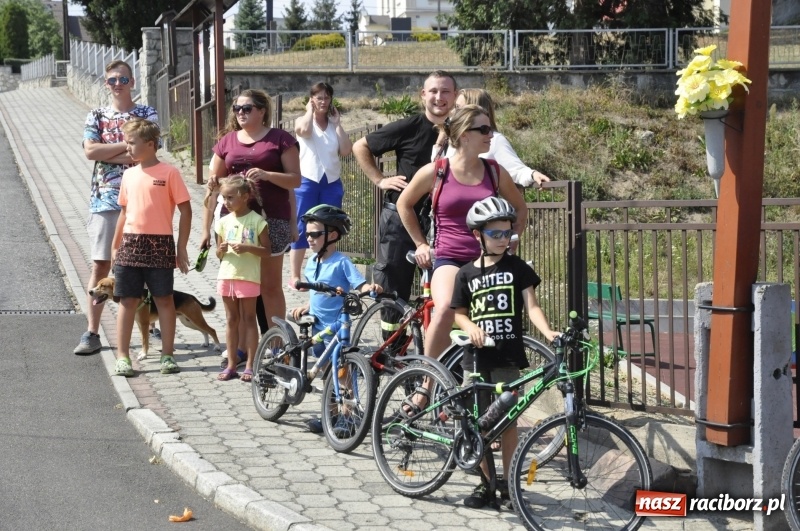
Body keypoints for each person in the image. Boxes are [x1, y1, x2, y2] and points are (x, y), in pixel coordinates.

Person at [397, 104, 528, 369]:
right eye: (484, 129)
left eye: (490, 128)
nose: (490, 134)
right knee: (446, 307)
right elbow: (404, 204)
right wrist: (421, 242)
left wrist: (510, 238)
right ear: (464, 135)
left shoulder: (494, 171)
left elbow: (520, 207)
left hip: (487, 261)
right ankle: (427, 382)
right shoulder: (437, 171)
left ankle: (478, 379)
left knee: (496, 317)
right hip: (450, 258)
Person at [450, 196, 560, 509]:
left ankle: (511, 487)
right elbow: (458, 312)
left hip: (508, 357)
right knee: (477, 423)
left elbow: (532, 305)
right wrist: (469, 325)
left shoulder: (517, 268)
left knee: (509, 424)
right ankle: (486, 484)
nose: (502, 239)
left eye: (507, 233)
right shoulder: (466, 273)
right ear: (478, 236)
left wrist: (548, 331)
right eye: (495, 234)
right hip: (476, 358)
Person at [352, 70, 456, 340]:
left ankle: (438, 362)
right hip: (400, 221)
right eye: (433, 91)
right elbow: (360, 146)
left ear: (455, 96)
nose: (439, 97)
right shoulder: (409, 126)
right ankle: (390, 357)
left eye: (445, 91)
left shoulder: (463, 130)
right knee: (393, 294)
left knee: (443, 295)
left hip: (443, 221)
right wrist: (379, 179)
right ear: (423, 95)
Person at [74, 60, 158, 355]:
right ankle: (92, 332)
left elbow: (148, 150)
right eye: (112, 80)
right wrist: (128, 150)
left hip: (145, 196)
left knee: (145, 264)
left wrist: (108, 154)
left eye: (123, 79)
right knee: (101, 263)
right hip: (106, 198)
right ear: (106, 84)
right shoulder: (96, 115)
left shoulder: (146, 113)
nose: (118, 84)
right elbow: (90, 151)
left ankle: (150, 324)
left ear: (132, 82)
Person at [201, 89, 301, 334]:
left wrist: (267, 175)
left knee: (269, 286)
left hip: (271, 219)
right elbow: (213, 187)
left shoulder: (280, 139)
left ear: (262, 111)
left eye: (247, 108)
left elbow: (295, 181)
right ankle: (244, 348)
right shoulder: (227, 141)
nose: (240, 113)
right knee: (238, 285)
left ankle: (279, 344)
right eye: (237, 108)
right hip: (233, 221)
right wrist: (205, 229)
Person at [288, 205, 381, 433]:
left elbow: (359, 285)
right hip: (318, 328)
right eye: (307, 234)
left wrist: (371, 288)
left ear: (331, 235)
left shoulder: (342, 262)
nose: (308, 239)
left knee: (341, 374)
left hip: (338, 328)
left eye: (314, 234)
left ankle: (346, 417)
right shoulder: (312, 261)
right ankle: (330, 414)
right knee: (328, 373)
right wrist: (306, 306)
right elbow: (316, 291)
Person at [111, 119, 191, 377]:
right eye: (126, 142)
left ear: (150, 144)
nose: (127, 148)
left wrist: (181, 248)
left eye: (131, 143)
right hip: (131, 244)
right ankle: (123, 357)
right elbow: (124, 213)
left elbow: (186, 210)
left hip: (160, 244)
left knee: (164, 299)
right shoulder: (128, 174)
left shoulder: (169, 173)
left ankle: (167, 354)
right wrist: (115, 246)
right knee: (128, 301)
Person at [289, 82, 353, 286]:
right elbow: (304, 131)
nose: (323, 101)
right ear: (312, 99)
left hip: (331, 181)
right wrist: (309, 111)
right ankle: (295, 275)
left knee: (330, 226)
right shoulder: (303, 120)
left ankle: (327, 272)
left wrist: (338, 124)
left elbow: (345, 150)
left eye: (326, 97)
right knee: (301, 226)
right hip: (307, 179)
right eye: (319, 97)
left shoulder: (334, 124)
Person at [215, 176, 270, 382]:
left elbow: (267, 251)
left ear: (245, 197)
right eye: (223, 198)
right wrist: (220, 250)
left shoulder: (257, 221)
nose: (226, 202)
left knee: (249, 319)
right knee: (231, 320)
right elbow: (218, 254)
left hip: (248, 276)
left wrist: (248, 248)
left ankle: (250, 364)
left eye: (230, 197)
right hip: (227, 275)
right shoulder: (222, 222)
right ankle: (231, 364)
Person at [439, 88, 552, 188]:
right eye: (455, 107)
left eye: (459, 108)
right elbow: (440, 174)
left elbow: (516, 169)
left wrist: (532, 174)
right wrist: (439, 143)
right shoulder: (458, 139)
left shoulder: (494, 140)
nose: (453, 112)